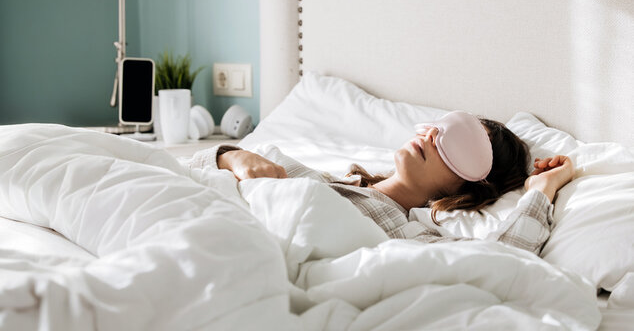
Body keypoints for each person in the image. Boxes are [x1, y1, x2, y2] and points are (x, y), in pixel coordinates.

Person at [186, 111, 575, 254]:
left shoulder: (407, 236)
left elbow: (507, 259)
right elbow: (184, 170)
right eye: (439, 128)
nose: (428, 137)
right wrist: (231, 155)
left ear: (470, 189)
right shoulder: (315, 175)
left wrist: (541, 191)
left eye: (456, 146)